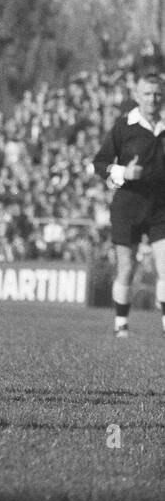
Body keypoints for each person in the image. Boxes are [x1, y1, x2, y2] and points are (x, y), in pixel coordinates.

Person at [92, 65, 165, 337]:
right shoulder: (124, 127)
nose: (152, 99)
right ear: (137, 95)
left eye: (158, 94)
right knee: (127, 267)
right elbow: (99, 163)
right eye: (147, 94)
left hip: (161, 206)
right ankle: (121, 325)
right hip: (128, 206)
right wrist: (124, 172)